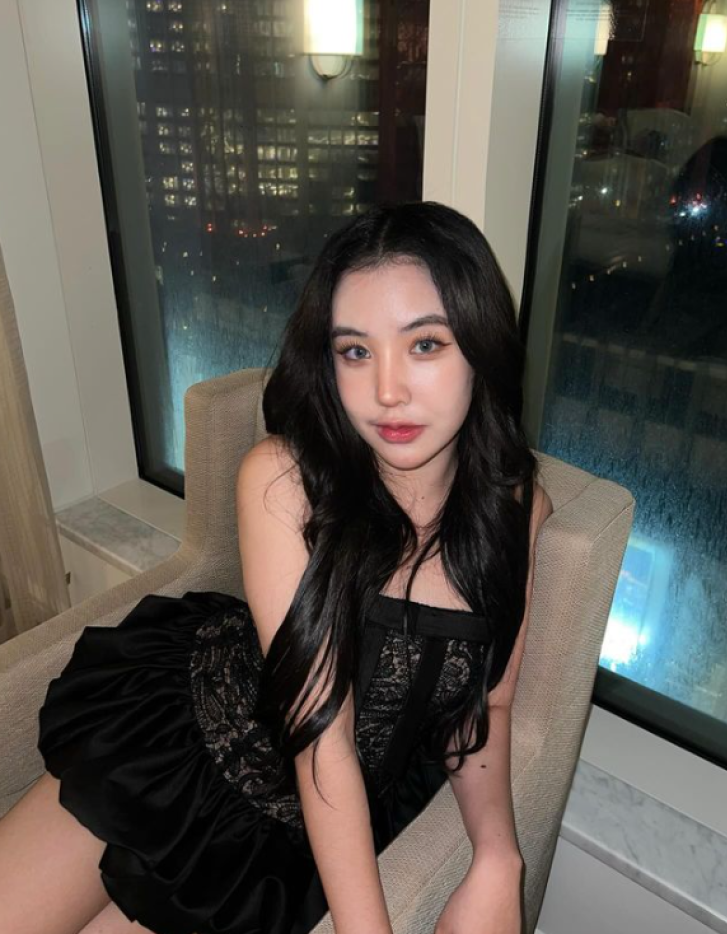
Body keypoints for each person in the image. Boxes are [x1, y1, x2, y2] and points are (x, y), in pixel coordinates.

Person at [0, 201, 553, 934]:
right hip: (198, 740)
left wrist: (498, 856)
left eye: (425, 344)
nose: (387, 390)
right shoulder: (283, 480)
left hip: (288, 837)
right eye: (355, 351)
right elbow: (321, 736)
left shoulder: (518, 509)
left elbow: (485, 709)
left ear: (481, 346)